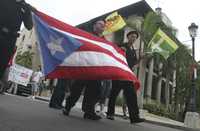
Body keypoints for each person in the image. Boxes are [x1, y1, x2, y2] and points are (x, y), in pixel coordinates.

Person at [106, 30, 145, 124]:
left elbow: (134, 64)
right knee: (114, 93)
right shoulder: (121, 45)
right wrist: (120, 50)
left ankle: (134, 117)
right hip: (119, 73)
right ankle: (110, 113)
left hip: (128, 75)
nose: (134, 38)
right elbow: (114, 53)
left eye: (135, 37)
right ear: (128, 37)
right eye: (132, 36)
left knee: (132, 95)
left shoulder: (133, 50)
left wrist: (140, 58)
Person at [0, 0, 33, 81]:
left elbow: (29, 26)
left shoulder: (25, 6)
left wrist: (28, 12)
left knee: (2, 65)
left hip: (11, 39)